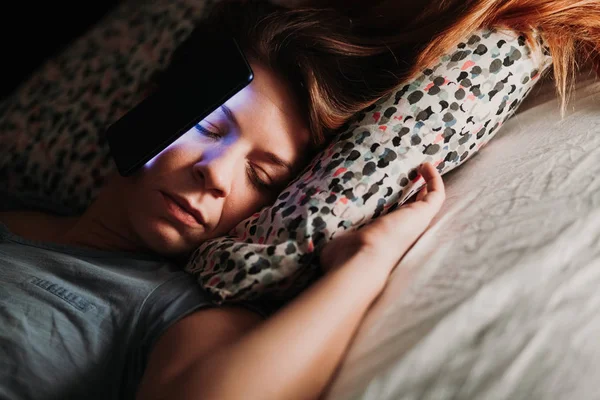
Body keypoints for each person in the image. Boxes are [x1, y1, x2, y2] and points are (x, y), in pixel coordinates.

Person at [1, 0, 599, 399]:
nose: (217, 176)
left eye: (261, 177)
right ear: (153, 104)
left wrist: (364, 263)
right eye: (211, 129)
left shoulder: (167, 311)